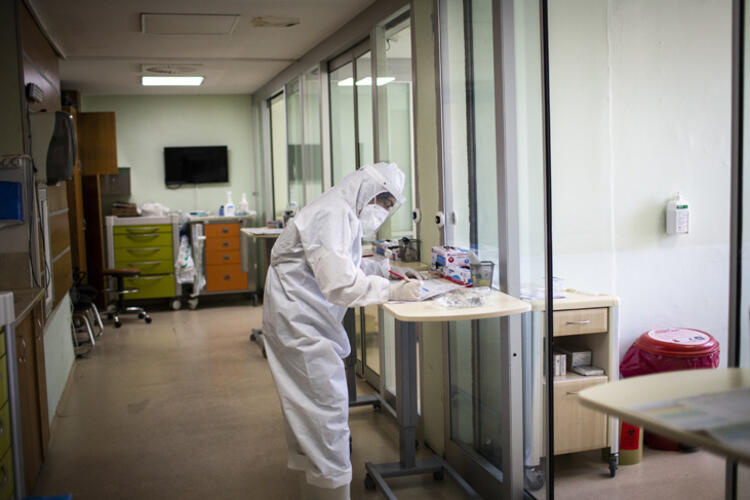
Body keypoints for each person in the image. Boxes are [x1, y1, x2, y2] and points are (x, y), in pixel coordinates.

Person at [262, 162, 421, 499]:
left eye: (390, 206)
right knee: (325, 413)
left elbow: (340, 262)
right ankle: (331, 490)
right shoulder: (332, 213)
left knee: (310, 414)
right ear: (368, 189)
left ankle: (315, 488)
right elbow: (340, 284)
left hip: (304, 318)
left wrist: (384, 270)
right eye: (384, 202)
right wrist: (392, 291)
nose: (383, 211)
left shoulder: (341, 209)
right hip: (301, 324)